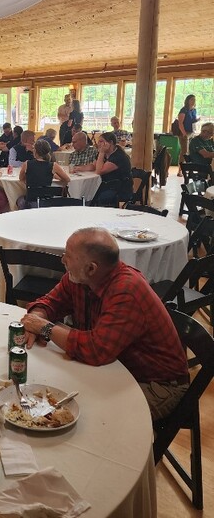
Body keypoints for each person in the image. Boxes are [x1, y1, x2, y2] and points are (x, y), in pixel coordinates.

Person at [21, 227, 189, 420]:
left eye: (68, 256)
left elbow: (95, 350)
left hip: (157, 384)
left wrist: (44, 327)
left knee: (89, 417)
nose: (63, 260)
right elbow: (51, 302)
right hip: (115, 369)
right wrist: (35, 320)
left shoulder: (126, 290)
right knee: (52, 392)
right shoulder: (82, 278)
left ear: (91, 268)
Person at [18, 139, 70, 209]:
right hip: (47, 202)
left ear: (35, 151)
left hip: (31, 201)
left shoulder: (27, 164)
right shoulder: (53, 165)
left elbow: (21, 179)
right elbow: (67, 179)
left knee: (19, 200)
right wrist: (55, 176)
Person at [93, 131, 132, 205]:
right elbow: (93, 165)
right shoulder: (105, 154)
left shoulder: (119, 156)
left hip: (119, 189)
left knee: (94, 195)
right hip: (107, 185)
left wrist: (101, 152)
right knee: (90, 191)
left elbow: (99, 171)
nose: (98, 144)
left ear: (110, 143)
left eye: (101, 141)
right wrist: (78, 168)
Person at [177, 94, 199, 175]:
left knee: (190, 151)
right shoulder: (184, 110)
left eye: (194, 100)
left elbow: (192, 120)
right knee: (184, 152)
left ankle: (189, 168)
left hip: (192, 132)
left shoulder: (194, 110)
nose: (193, 101)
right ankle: (180, 170)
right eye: (191, 99)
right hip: (184, 133)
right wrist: (184, 133)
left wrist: (197, 120)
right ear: (188, 101)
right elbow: (180, 123)